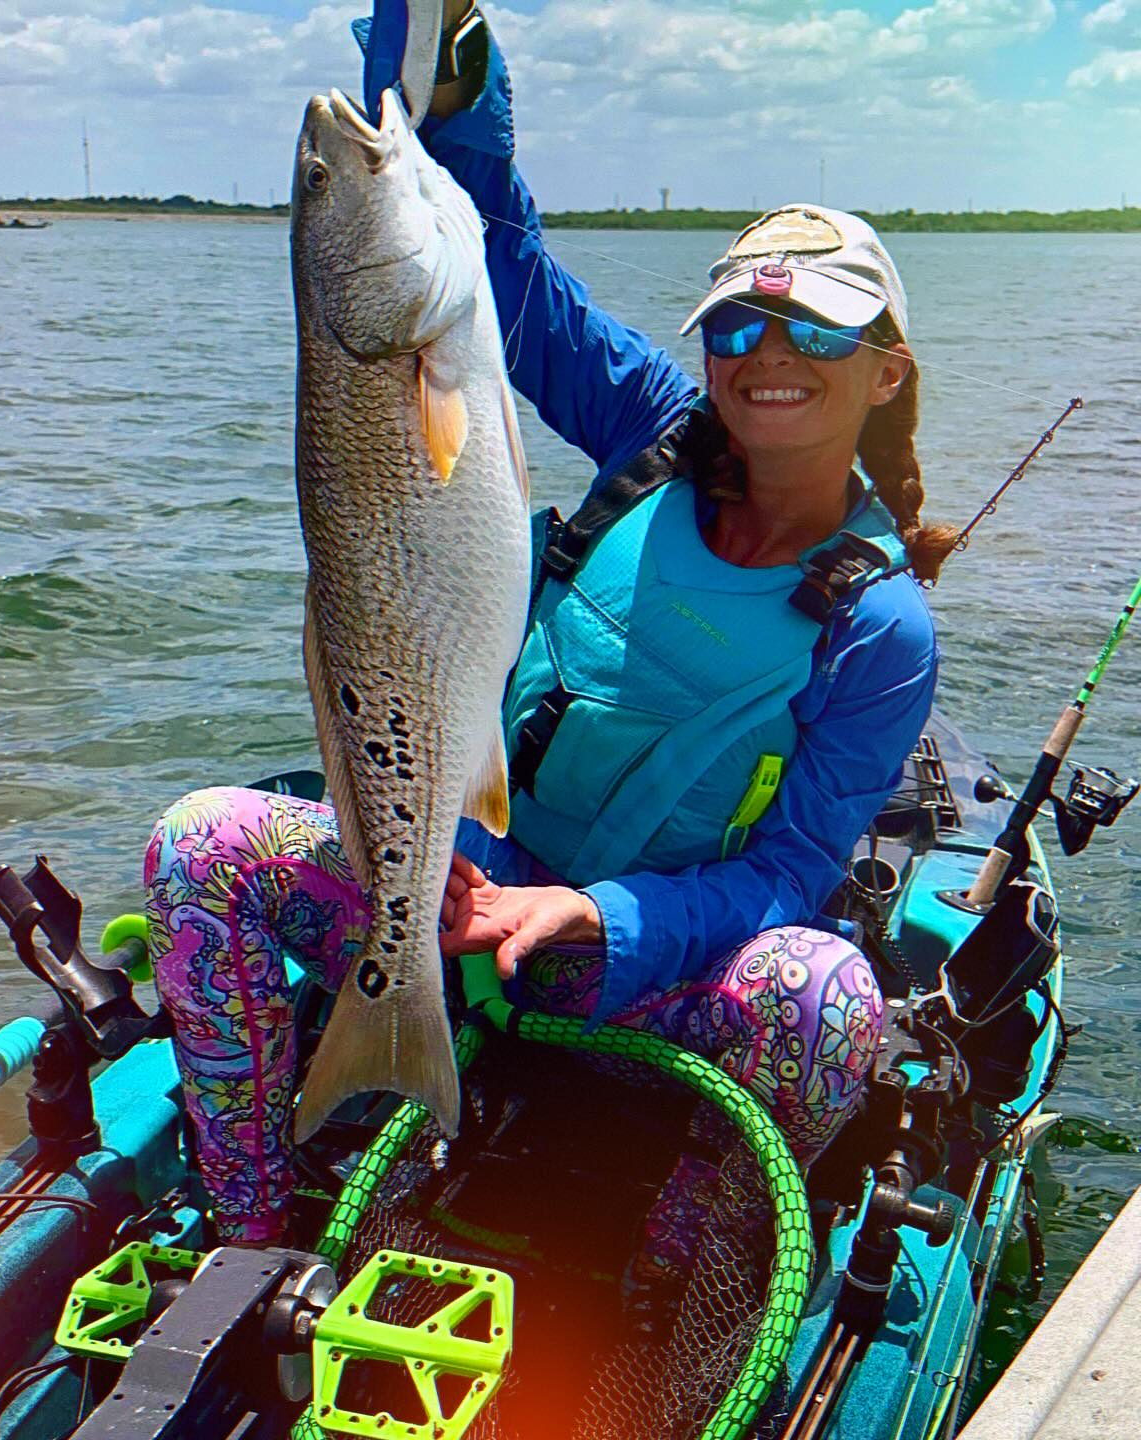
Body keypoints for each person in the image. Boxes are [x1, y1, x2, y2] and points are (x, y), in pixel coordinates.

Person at [143, 1, 951, 1255]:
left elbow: (790, 872)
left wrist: (591, 916)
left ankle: (676, 1277)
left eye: (817, 331)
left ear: (884, 371)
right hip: (451, 899)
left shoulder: (881, 626)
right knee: (203, 843)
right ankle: (248, 1230)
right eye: (737, 325)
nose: (768, 356)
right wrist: (445, 66)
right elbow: (505, 266)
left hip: (646, 971)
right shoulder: (652, 431)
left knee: (824, 997)